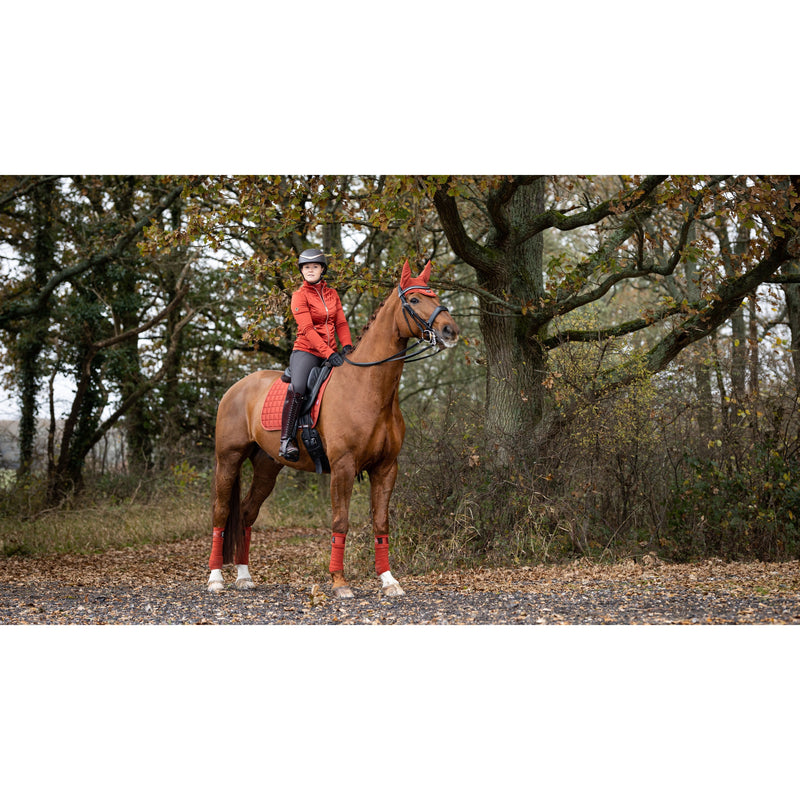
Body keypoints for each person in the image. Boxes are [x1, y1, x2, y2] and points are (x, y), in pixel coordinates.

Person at [279, 248, 353, 461]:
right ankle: (286, 440)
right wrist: (329, 353)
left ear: (322, 269)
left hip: (331, 352)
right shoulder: (299, 296)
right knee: (299, 387)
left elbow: (341, 322)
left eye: (314, 266)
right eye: (306, 267)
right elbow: (308, 330)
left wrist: (346, 346)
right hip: (306, 351)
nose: (310, 270)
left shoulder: (332, 294)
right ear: (301, 271)